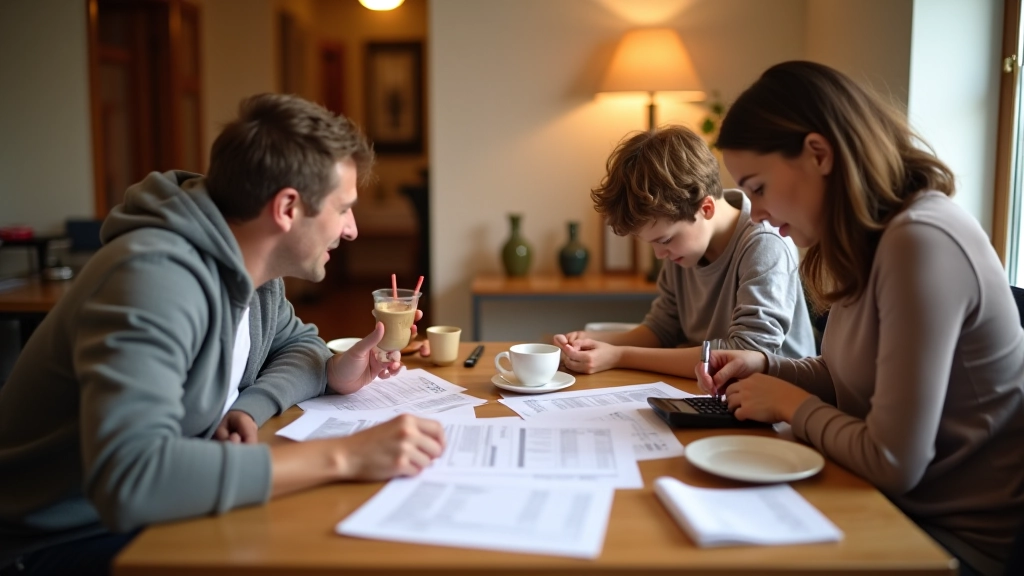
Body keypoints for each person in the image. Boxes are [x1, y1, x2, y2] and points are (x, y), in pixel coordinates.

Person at [0, 93, 446, 575]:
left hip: (149, 517)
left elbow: (301, 347)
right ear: (288, 208)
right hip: (58, 540)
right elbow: (132, 479)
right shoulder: (153, 277)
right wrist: (346, 456)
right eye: (343, 209)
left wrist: (292, 389)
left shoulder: (252, 269)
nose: (352, 230)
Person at [701, 60, 1024, 576]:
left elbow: (893, 463)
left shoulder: (921, 242)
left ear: (819, 153)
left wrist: (787, 400)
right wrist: (767, 367)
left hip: (947, 542)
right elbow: (844, 374)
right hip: (884, 504)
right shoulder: (865, 241)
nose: (754, 212)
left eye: (758, 187)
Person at [553, 125, 816, 376]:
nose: (659, 254)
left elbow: (745, 353)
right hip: (709, 389)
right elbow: (662, 329)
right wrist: (596, 341)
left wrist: (620, 355)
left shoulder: (765, 243)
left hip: (776, 405)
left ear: (706, 209)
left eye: (664, 240)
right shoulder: (684, 247)